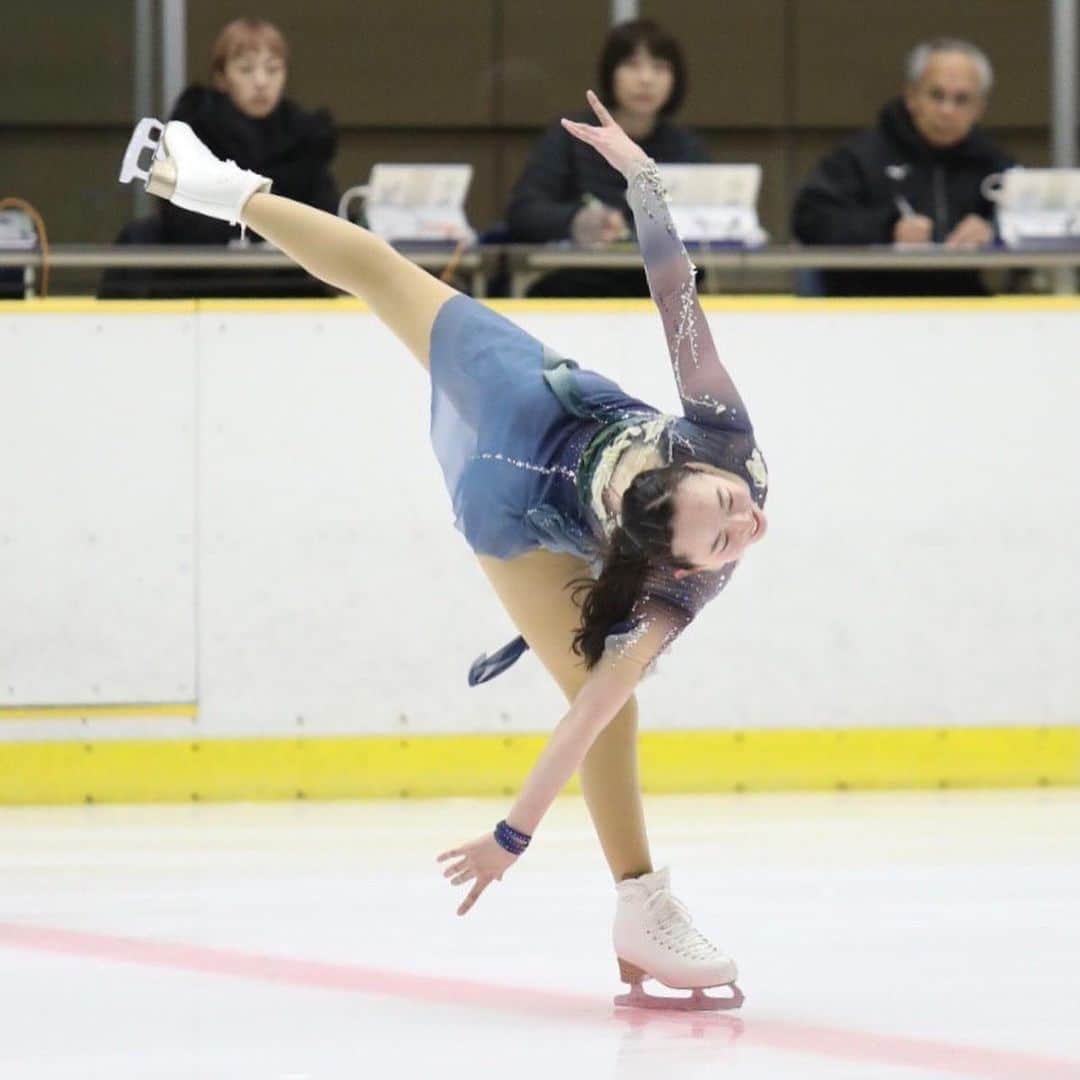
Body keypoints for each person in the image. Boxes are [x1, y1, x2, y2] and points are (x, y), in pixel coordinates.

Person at [120, 89, 766, 1012]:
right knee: (384, 272)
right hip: (522, 431)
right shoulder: (704, 505)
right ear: (690, 488)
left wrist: (511, 836)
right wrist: (646, 182)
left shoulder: (695, 519)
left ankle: (641, 908)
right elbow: (677, 294)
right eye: (729, 514)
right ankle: (218, 187)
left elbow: (587, 714)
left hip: (525, 461)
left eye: (727, 528)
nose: (747, 522)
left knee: (610, 701)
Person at [104, 17, 339, 298]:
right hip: (196, 282)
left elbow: (325, 219)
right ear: (222, 76)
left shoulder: (305, 139)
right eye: (246, 70)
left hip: (286, 288)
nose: (261, 82)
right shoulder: (192, 131)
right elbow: (179, 216)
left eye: (273, 70)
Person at [791, 38, 1015, 296]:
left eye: (962, 100)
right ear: (911, 97)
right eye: (936, 95)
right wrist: (888, 230)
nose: (947, 110)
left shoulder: (993, 162)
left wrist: (995, 230)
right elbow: (810, 219)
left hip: (962, 307)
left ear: (979, 108)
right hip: (869, 305)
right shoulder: (860, 157)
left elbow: (1041, 220)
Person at [506, 19, 710, 297]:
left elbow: (710, 221)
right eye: (632, 65)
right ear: (610, 72)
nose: (646, 79)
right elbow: (523, 213)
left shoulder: (685, 147)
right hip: (577, 285)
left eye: (660, 68)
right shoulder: (574, 135)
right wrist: (578, 221)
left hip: (663, 293)